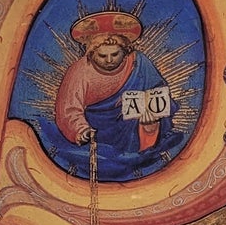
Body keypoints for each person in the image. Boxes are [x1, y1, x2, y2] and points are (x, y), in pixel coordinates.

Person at [52, 10, 171, 180]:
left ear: (125, 50)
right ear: (91, 53)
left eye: (115, 54)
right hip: (97, 134)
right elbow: (68, 108)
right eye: (102, 55)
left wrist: (151, 122)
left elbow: (158, 94)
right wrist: (81, 129)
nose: (109, 60)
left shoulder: (138, 63)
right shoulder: (80, 71)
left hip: (133, 132)